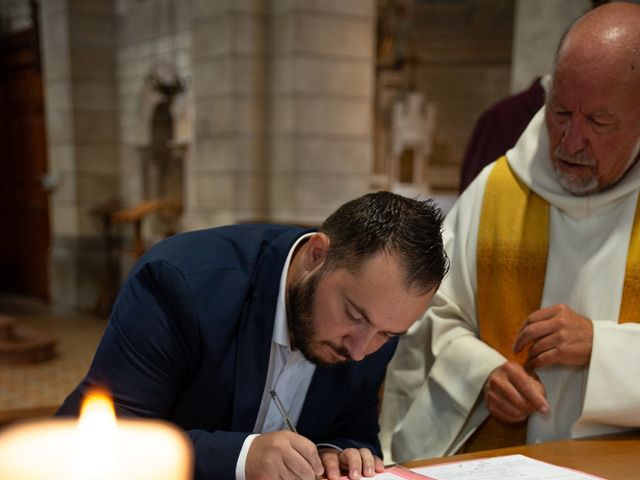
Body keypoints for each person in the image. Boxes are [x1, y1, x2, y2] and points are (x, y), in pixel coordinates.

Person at [381, 1, 640, 463]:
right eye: (560, 112)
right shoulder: (497, 191)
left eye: (598, 122)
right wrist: (482, 374)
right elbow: (428, 316)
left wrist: (603, 350)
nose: (570, 140)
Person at [57, 191, 448, 480]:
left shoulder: (376, 321)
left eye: (387, 334)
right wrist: (242, 457)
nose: (361, 350)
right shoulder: (180, 285)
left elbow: (354, 429)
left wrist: (340, 453)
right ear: (316, 256)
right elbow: (93, 439)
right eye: (353, 315)